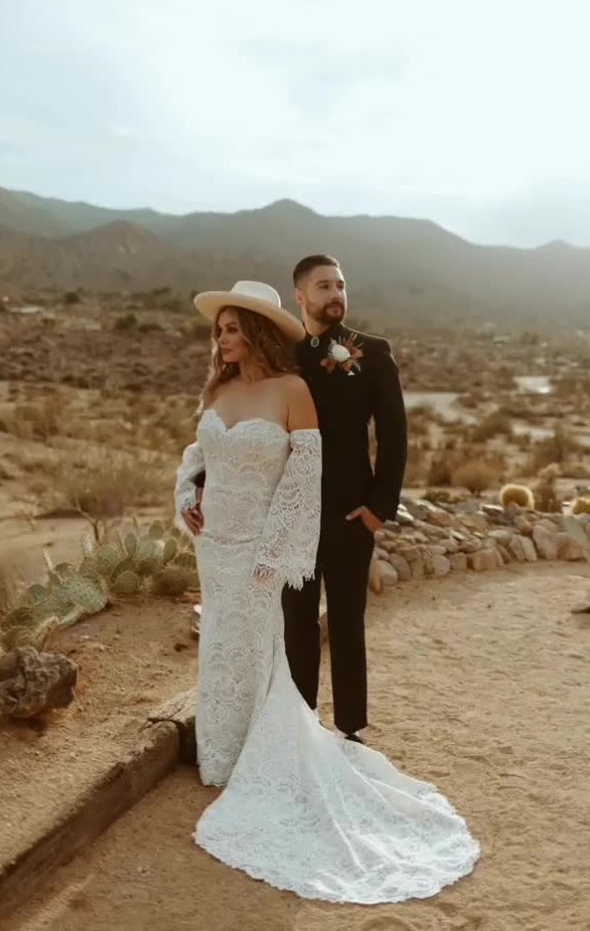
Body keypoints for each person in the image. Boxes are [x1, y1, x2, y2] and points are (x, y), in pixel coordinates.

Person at [174, 279, 479, 905]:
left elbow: (301, 478)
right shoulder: (220, 388)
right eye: (220, 329)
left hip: (258, 549)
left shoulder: (292, 391)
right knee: (223, 648)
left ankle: (273, 753)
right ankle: (223, 756)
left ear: (257, 331)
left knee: (264, 650)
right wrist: (186, 498)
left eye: (234, 328)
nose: (223, 338)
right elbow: (195, 455)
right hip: (214, 546)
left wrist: (276, 553)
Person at [283, 253, 407, 742]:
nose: (335, 294)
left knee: (349, 624)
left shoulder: (372, 353)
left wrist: (379, 508)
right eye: (323, 287)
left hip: (351, 514)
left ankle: (351, 729)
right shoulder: (281, 356)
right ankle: (299, 726)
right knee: (297, 625)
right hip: (293, 511)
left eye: (340, 285)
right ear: (300, 295)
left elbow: (394, 436)